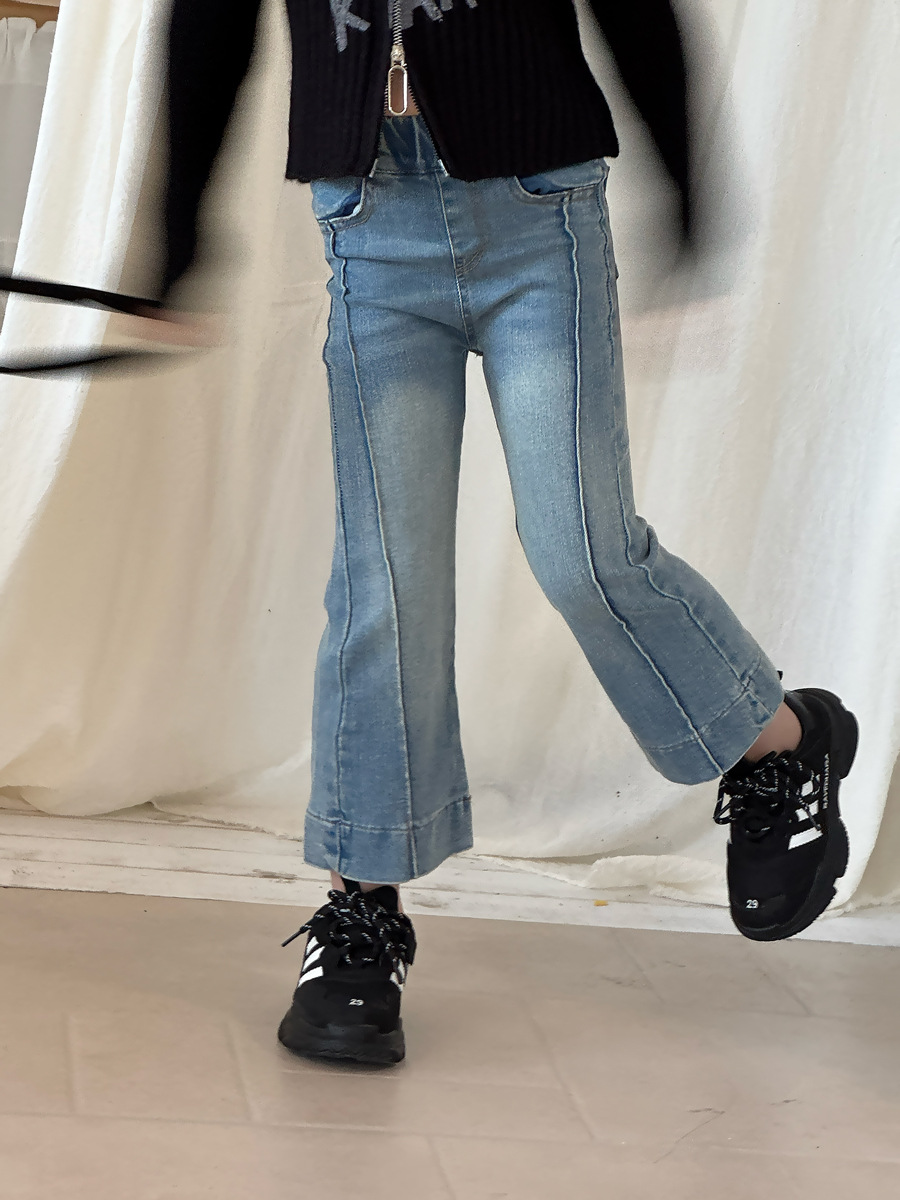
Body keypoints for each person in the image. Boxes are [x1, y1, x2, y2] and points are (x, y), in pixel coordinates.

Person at [154, 0, 858, 1066]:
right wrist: (175, 230)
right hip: (370, 219)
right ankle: (361, 913)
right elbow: (206, 23)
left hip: (538, 214)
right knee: (385, 589)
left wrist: (687, 192)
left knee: (584, 552)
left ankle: (778, 743)